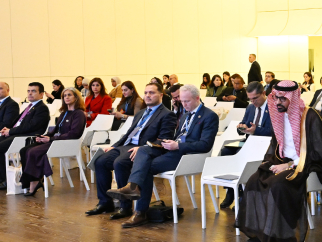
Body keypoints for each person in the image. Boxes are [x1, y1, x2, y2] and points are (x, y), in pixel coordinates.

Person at [236, 81, 322, 242]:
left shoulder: (310, 116)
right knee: (254, 180)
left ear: (293, 98)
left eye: (282, 99)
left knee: (278, 185)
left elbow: (317, 151)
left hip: (307, 164)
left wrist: (289, 165)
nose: (277, 102)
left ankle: (283, 236)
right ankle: (261, 234)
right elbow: (275, 145)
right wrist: (271, 163)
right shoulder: (279, 114)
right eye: (276, 98)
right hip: (282, 161)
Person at [108, 84, 219, 227]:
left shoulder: (209, 116)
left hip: (189, 156)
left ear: (197, 98)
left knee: (145, 166)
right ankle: (133, 189)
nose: (184, 104)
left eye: (187, 101)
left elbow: (205, 145)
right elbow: (180, 136)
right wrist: (170, 143)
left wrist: (177, 146)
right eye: (182, 101)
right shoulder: (186, 114)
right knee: (143, 150)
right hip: (174, 151)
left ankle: (139, 210)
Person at [86, 83, 176, 220]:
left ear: (161, 95)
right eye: (146, 93)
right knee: (100, 161)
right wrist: (115, 146)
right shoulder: (140, 113)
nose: (147, 95)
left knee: (120, 163)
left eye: (152, 93)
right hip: (126, 146)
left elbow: (164, 139)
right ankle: (105, 203)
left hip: (143, 149)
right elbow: (129, 133)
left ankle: (125, 207)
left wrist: (143, 147)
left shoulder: (167, 114)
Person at [0, 83, 52, 190]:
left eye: (33, 91)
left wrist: (11, 131)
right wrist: (7, 129)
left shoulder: (42, 108)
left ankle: (6, 180)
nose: (30, 93)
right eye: (28, 91)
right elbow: (18, 123)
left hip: (26, 137)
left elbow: (30, 127)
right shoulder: (29, 107)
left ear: (41, 94)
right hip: (16, 134)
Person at [18, 88, 87, 196]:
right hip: (57, 141)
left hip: (67, 144)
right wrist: (44, 137)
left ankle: (34, 181)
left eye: (69, 95)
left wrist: (50, 139)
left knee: (33, 152)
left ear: (76, 97)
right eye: (64, 96)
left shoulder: (79, 114)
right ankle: (31, 180)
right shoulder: (64, 113)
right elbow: (55, 131)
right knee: (24, 150)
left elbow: (74, 134)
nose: (66, 97)